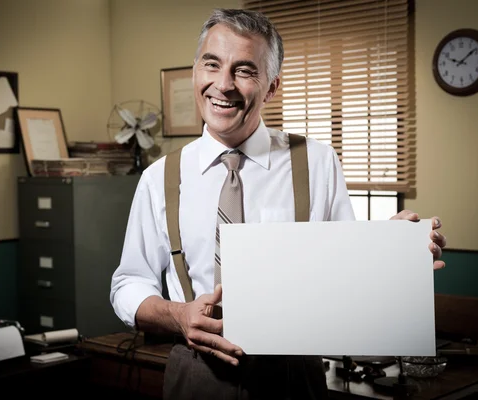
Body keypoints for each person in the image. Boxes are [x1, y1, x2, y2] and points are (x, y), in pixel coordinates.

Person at [110, 8, 447, 400]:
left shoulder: (318, 163)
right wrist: (178, 316)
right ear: (195, 72)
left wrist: (394, 257)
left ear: (271, 87)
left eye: (244, 70)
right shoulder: (159, 178)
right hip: (194, 374)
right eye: (212, 64)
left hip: (293, 378)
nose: (223, 84)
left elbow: (345, 283)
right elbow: (128, 283)